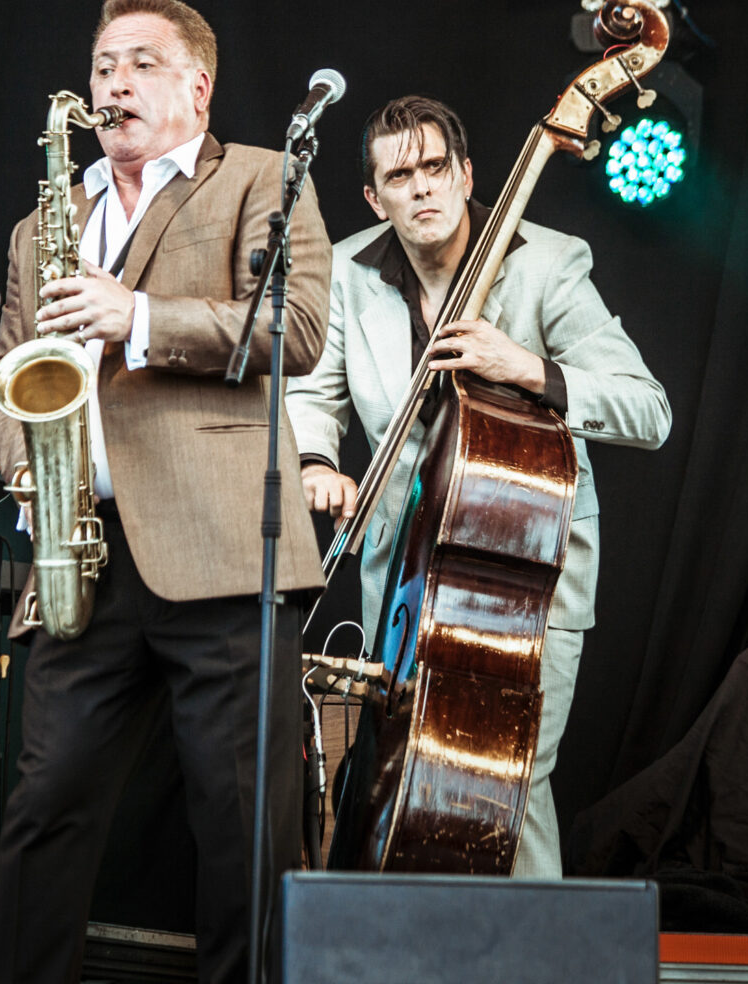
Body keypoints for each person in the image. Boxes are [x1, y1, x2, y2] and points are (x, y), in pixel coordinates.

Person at [0, 0, 331, 984]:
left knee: (238, 823)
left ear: (197, 83)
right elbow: (14, 363)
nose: (114, 82)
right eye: (101, 66)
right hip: (78, 547)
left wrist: (134, 312)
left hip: (220, 542)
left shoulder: (264, 177)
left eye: (139, 61)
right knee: (43, 809)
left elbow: (292, 332)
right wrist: (23, 465)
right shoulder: (42, 221)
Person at [286, 93, 671, 879]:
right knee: (400, 787)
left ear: (466, 174)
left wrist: (524, 366)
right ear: (374, 196)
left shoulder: (547, 263)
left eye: (435, 168)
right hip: (403, 578)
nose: (421, 188)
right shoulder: (347, 273)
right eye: (400, 176)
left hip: (526, 578)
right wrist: (316, 465)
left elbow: (648, 409)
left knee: (510, 785)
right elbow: (311, 395)